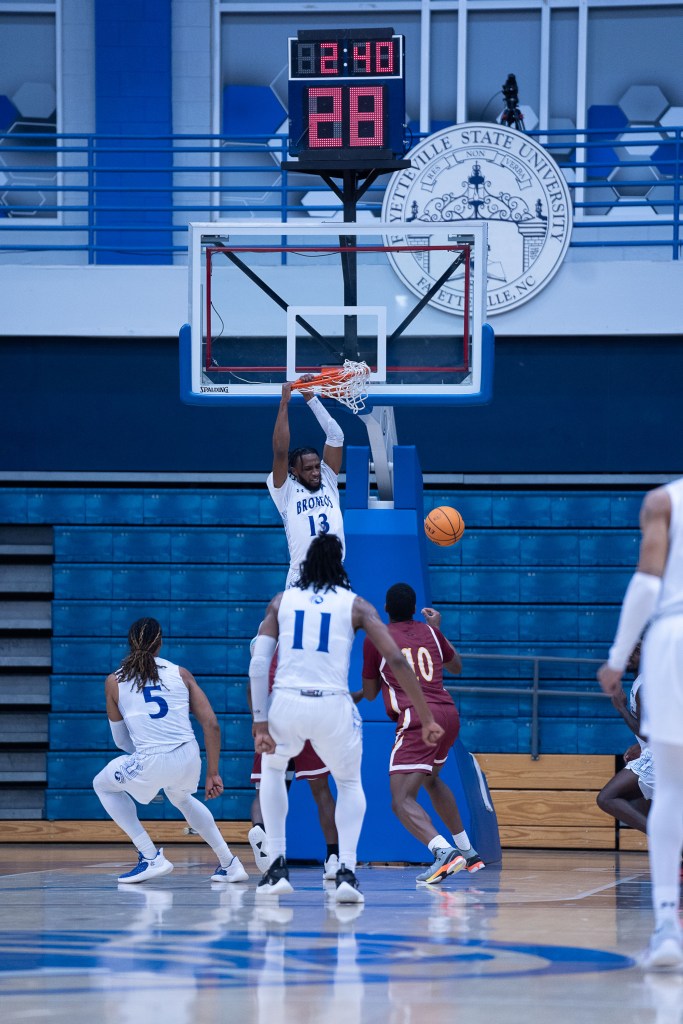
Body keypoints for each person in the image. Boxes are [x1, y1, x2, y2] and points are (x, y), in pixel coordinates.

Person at [249, 533, 446, 904]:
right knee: (349, 784)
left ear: (305, 563)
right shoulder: (357, 606)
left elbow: (259, 664)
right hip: (333, 706)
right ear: (340, 564)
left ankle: (276, 866)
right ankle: (346, 872)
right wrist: (425, 715)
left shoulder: (280, 601)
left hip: (287, 703)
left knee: (274, 772)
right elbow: (398, 661)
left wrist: (260, 721)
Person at [597, 479, 683, 971]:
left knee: (669, 790)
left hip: (673, 632)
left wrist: (615, 656)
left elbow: (648, 582)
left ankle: (668, 928)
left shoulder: (663, 501)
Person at [93, 617, 248, 885]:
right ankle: (230, 863)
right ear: (160, 643)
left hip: (152, 759)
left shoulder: (114, 682)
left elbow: (121, 741)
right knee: (182, 798)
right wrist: (213, 772)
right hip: (189, 756)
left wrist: (145, 774)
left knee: (102, 785)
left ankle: (150, 855)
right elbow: (211, 725)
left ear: (129, 643)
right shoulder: (181, 673)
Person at [361, 583, 485, 884]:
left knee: (401, 799)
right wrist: (437, 630)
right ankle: (467, 852)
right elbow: (456, 666)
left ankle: (444, 852)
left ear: (387, 610)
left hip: (418, 717)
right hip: (448, 714)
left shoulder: (378, 638)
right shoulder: (431, 632)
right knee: (431, 779)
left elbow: (369, 693)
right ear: (415, 608)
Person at [247, 644, 340, 879]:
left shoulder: (262, 645)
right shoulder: (311, 645)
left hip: (274, 719)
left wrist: (257, 721)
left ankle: (260, 830)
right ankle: (333, 857)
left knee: (265, 790)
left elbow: (252, 686)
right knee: (321, 791)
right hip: (307, 718)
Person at [268, 380, 345, 589]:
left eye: (317, 467)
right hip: (302, 574)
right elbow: (281, 451)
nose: (315, 472)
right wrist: (284, 404)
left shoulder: (328, 478)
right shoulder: (285, 489)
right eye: (308, 469)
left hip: (334, 572)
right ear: (294, 472)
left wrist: (311, 398)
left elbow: (336, 435)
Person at [596, 642, 654, 836]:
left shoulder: (645, 684)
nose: (629, 653)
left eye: (636, 650)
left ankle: (665, 841)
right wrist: (640, 745)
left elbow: (648, 731)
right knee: (639, 800)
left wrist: (621, 707)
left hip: (659, 757)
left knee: (607, 798)